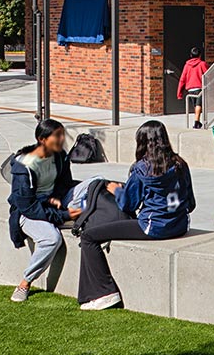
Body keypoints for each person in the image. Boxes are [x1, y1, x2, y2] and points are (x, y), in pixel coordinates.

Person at [71, 119, 196, 310]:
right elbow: (191, 203)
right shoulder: (180, 164)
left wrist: (117, 190)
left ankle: (103, 293)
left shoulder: (141, 169)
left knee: (88, 236)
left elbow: (128, 203)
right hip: (180, 225)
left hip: (153, 227)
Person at [6, 118, 75, 302]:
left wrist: (56, 199)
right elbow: (27, 206)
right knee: (52, 239)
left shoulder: (60, 156)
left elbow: (65, 184)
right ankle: (25, 283)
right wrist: (63, 215)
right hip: (28, 212)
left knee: (94, 183)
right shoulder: (24, 166)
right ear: (42, 139)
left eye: (63, 135)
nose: (62, 140)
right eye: (57, 136)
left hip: (52, 203)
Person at [177, 47, 209, 129]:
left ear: (191, 55)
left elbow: (182, 79)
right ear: (200, 55)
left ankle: (197, 121)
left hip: (190, 89)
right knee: (199, 105)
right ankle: (196, 122)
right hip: (199, 88)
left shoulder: (187, 65)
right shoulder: (202, 64)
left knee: (196, 105)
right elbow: (208, 74)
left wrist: (179, 93)